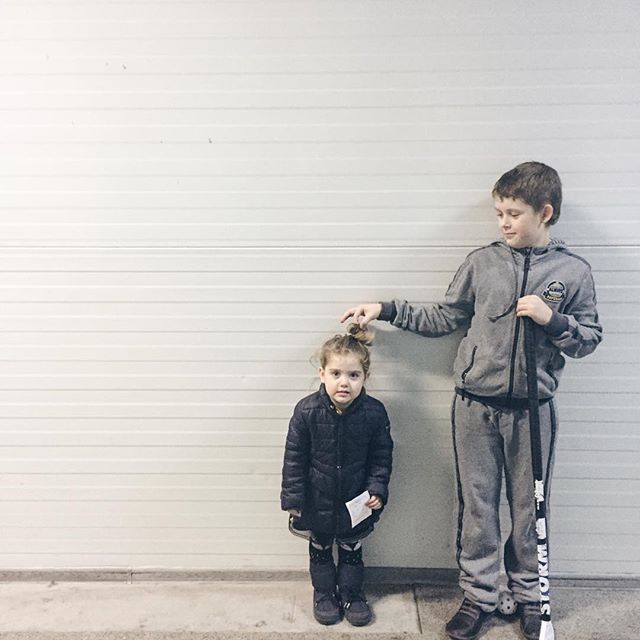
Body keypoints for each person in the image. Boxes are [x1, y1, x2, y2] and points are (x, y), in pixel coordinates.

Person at [340, 161, 602, 640]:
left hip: (533, 412)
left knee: (529, 508)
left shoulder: (573, 272)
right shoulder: (483, 263)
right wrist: (386, 309)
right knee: (477, 506)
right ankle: (479, 596)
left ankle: (530, 597)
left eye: (514, 213)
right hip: (474, 406)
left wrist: (552, 319)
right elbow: (446, 316)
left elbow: (588, 339)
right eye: (499, 213)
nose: (503, 223)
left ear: (545, 213)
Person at [280, 324, 393, 627]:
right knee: (319, 550)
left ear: (365, 377)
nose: (344, 382)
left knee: (352, 550)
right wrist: (293, 499)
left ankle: (352, 595)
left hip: (356, 501)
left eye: (353, 375)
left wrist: (377, 489)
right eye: (336, 374)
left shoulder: (374, 413)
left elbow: (381, 457)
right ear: (322, 374)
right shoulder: (306, 411)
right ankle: (324, 594)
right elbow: (294, 459)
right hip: (316, 501)